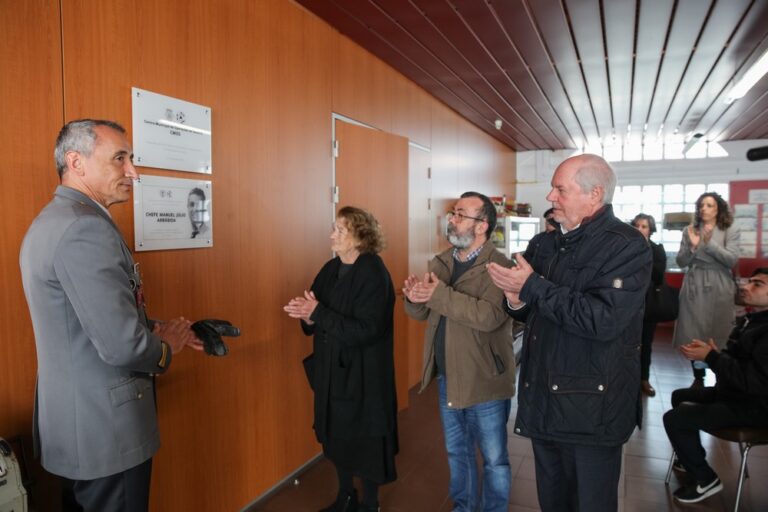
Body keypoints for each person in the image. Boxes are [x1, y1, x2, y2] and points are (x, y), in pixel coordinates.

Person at [19, 119, 203, 512]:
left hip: (77, 424)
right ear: (76, 162)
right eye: (120, 158)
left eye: (131, 159)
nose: (132, 172)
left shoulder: (55, 221)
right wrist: (165, 347)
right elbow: (122, 345)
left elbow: (84, 320)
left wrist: (161, 327)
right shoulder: (84, 229)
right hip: (106, 431)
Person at [487, 154, 651, 512]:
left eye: (560, 189)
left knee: (591, 503)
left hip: (593, 407)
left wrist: (532, 286)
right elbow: (532, 310)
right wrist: (516, 299)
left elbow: (602, 320)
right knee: (553, 501)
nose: (550, 197)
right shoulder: (545, 244)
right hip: (543, 397)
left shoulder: (626, 245)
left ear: (594, 194)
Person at [403, 191, 515, 512]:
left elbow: (489, 317)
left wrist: (437, 295)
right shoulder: (440, 262)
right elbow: (424, 314)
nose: (452, 219)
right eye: (453, 213)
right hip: (447, 376)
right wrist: (414, 297)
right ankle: (464, 508)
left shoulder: (500, 266)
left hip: (486, 381)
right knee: (457, 452)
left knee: (494, 459)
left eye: (461, 214)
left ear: (482, 226)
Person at [283, 206, 397, 512]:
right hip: (332, 371)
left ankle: (370, 504)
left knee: (365, 439)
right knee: (336, 435)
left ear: (360, 236)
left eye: (340, 230)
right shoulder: (330, 269)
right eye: (333, 228)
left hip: (363, 375)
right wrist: (306, 317)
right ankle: (346, 496)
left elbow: (368, 329)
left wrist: (317, 313)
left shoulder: (374, 273)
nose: (332, 235)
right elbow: (316, 310)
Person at [663, 267, 768, 504]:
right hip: (737, 395)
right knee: (680, 396)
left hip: (756, 407)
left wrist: (712, 357)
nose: (746, 286)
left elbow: (754, 382)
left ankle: (705, 478)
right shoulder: (752, 320)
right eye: (748, 280)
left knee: (675, 418)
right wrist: (716, 355)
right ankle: (689, 455)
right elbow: (740, 366)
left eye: (757, 284)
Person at [673, 192, 740, 387]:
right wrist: (692, 249)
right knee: (695, 330)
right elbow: (681, 261)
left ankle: (722, 375)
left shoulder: (730, 228)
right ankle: (698, 377)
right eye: (701, 205)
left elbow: (731, 259)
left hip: (720, 283)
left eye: (709, 205)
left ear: (719, 208)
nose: (704, 209)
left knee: (721, 329)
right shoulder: (689, 230)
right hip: (695, 283)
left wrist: (708, 244)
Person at [631, 213, 667, 397]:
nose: (639, 229)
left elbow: (659, 277)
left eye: (644, 226)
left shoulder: (656, 249)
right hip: (628, 303)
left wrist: (644, 254)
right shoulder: (626, 248)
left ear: (650, 230)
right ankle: (626, 379)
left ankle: (644, 379)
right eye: (636, 225)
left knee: (646, 343)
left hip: (648, 304)